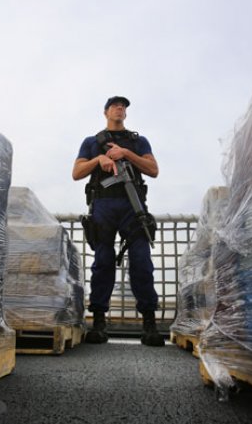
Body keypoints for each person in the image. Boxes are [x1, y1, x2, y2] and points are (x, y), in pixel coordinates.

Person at [72, 96, 164, 347]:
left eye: (123, 106)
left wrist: (125, 153)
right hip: (102, 206)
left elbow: (153, 170)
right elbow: (77, 173)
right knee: (102, 263)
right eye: (115, 105)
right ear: (105, 112)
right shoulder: (91, 142)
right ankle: (99, 322)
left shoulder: (137, 141)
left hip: (132, 206)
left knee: (142, 262)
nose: (120, 108)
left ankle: (149, 324)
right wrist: (98, 160)